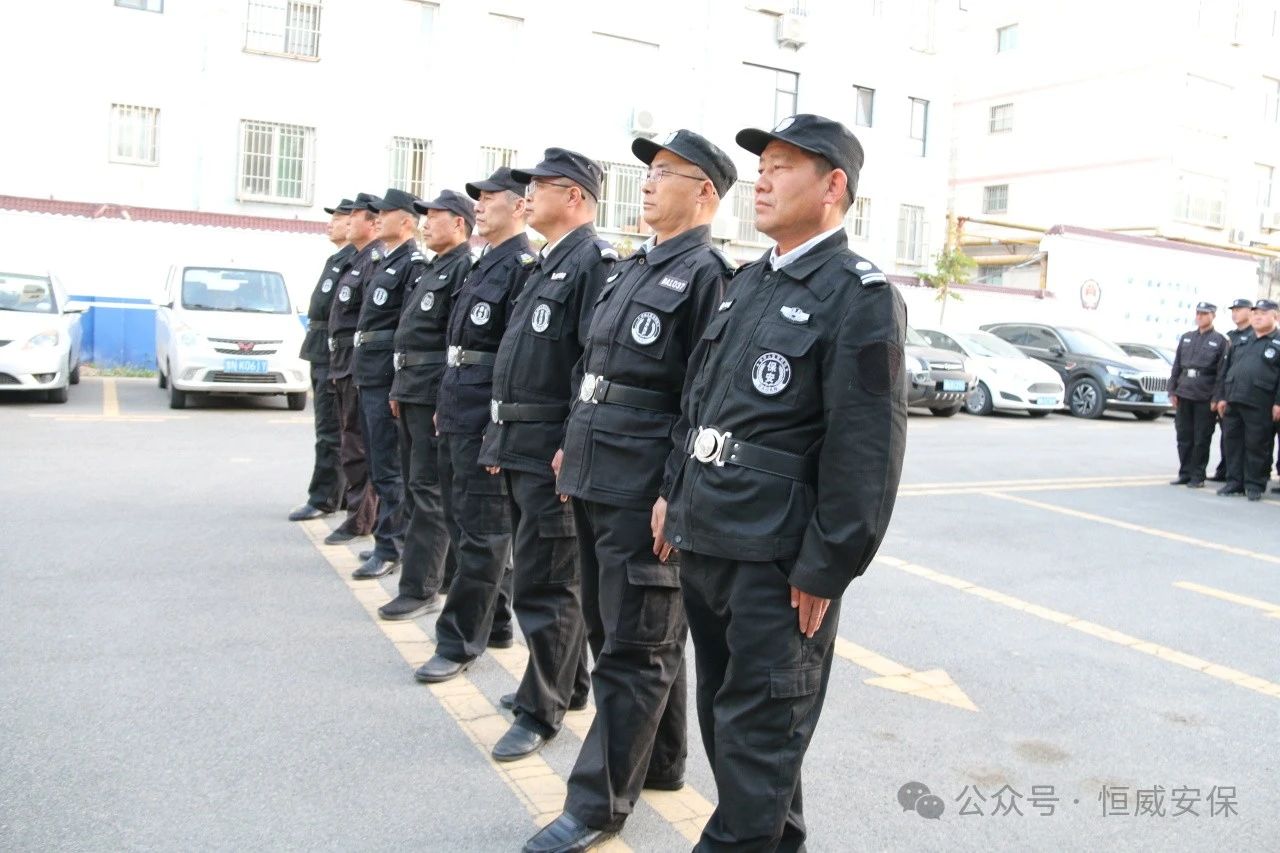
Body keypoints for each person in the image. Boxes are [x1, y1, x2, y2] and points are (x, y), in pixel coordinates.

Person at [664, 114, 906, 852]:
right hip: (711, 535)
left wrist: (827, 564)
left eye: (781, 167)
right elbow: (698, 400)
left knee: (759, 734)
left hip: (777, 560)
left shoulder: (858, 294)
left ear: (832, 187)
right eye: (761, 167)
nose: (761, 182)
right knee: (729, 725)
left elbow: (868, 447)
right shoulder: (748, 282)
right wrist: (673, 493)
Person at [524, 130, 737, 853]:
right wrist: (570, 442)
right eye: (646, 173)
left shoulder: (707, 275)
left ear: (704, 191)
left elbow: (703, 398)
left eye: (665, 173)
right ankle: (663, 762)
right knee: (617, 632)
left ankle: (596, 803)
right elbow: (592, 369)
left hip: (643, 486)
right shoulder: (631, 268)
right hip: (595, 470)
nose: (647, 183)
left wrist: (675, 490)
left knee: (635, 646)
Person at [420, 169, 534, 681]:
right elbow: (459, 345)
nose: (480, 207)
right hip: (458, 407)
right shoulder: (483, 262)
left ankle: (459, 640)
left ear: (518, 206)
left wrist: (497, 428)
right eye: (478, 199)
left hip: (484, 415)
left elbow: (515, 360)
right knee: (464, 522)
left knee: (482, 534)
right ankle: (498, 621)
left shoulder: (522, 267)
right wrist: (444, 402)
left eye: (489, 198)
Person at [377, 191, 474, 619]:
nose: (426, 224)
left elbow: (454, 340)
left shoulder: (463, 268)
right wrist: (398, 388)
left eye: (435, 217)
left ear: (459, 224)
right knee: (419, 486)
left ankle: (420, 587)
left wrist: (440, 398)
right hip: (411, 388)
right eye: (425, 217)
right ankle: (442, 576)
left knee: (428, 490)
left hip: (432, 390)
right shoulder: (434, 268)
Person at [350, 188, 428, 578]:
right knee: (378, 462)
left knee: (389, 465)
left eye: (386, 213)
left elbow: (407, 329)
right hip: (369, 371)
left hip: (386, 374)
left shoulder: (413, 264)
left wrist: (398, 381)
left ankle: (391, 545)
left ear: (407, 220)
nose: (377, 218)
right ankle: (387, 536)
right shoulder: (386, 260)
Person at [290, 198, 357, 522]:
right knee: (329, 428)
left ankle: (324, 497)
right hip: (321, 349)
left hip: (334, 355)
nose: (332, 223)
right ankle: (337, 493)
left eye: (340, 218)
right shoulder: (338, 258)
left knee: (331, 430)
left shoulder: (353, 259)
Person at [324, 192, 384, 545]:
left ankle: (361, 518)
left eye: (354, 216)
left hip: (357, 363)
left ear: (373, 223)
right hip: (344, 362)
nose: (347, 221)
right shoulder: (357, 259)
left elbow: (369, 319)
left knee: (358, 444)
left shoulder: (374, 260)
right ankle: (359, 512)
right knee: (349, 439)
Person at [1214, 299, 1280, 501]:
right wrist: (1222, 397)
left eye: (1263, 313)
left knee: (1256, 445)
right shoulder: (1242, 340)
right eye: (1255, 313)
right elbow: (1227, 369)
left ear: (1275, 317)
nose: (1258, 317)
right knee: (1232, 443)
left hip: (1261, 401)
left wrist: (1278, 402)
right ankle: (1235, 482)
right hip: (1234, 398)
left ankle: (1254, 484)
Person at [1168, 302, 1227, 488]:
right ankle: (1185, 473)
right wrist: (1172, 390)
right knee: (1184, 437)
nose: (1200, 317)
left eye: (1204, 314)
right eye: (1198, 313)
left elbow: (1222, 373)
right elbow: (1177, 366)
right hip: (1184, 392)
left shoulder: (1220, 341)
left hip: (1204, 395)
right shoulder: (1187, 338)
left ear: (1213, 316)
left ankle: (1197, 475)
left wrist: (1217, 397)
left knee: (1201, 438)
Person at [1209, 298, 1254, 482]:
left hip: (1248, 396)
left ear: (1250, 311)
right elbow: (1224, 369)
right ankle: (1226, 470)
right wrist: (1220, 396)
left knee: (1247, 440)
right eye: (1233, 310)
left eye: (1239, 310)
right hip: (1229, 393)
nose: (1235, 313)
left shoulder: (1255, 336)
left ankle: (1244, 476)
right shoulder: (1230, 337)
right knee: (1228, 436)